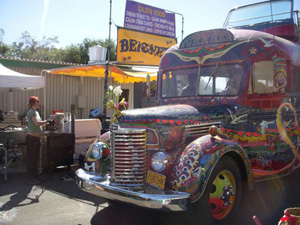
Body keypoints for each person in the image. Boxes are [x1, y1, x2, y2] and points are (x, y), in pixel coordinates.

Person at [26, 96, 47, 184]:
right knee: (32, 159)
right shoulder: (31, 112)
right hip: (32, 139)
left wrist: (48, 123)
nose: (38, 103)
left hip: (36, 139)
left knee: (36, 159)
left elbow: (41, 124)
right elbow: (37, 123)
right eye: (37, 102)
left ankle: (35, 177)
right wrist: (47, 121)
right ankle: (31, 179)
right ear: (33, 103)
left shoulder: (36, 112)